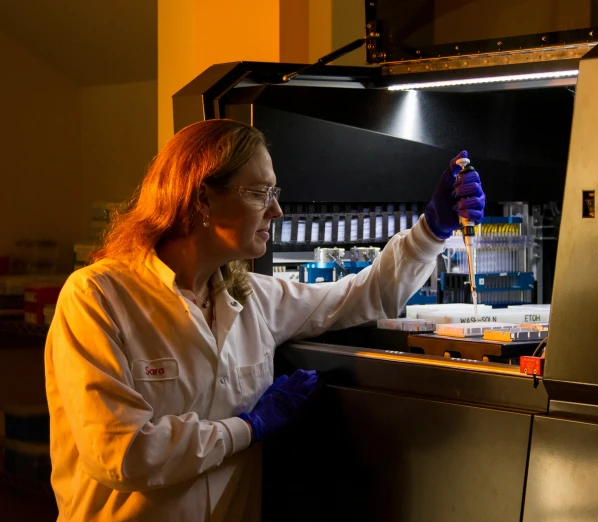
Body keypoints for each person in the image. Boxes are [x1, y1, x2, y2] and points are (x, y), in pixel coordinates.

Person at [44, 118, 485, 521]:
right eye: (260, 193)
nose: (276, 211)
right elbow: (120, 452)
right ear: (202, 198)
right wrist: (247, 429)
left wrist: (432, 230)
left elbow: (365, 293)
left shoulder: (251, 297)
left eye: (274, 193)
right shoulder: (98, 297)